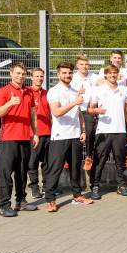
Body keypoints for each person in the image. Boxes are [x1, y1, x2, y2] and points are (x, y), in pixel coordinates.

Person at [45, 62, 94, 212]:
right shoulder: (54, 91)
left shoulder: (75, 91)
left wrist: (83, 130)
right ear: (59, 74)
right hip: (60, 137)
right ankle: (50, 200)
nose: (67, 75)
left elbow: (79, 113)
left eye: (70, 73)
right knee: (55, 169)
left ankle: (77, 195)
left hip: (75, 136)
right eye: (64, 73)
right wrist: (74, 102)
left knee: (75, 168)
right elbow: (57, 112)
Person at [0, 62, 39, 217]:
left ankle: (21, 201)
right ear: (11, 74)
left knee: (21, 172)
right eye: (18, 73)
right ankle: (4, 205)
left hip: (25, 138)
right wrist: (10, 103)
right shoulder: (3, 91)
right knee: (5, 173)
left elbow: (33, 115)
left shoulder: (29, 92)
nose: (21, 76)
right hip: (8, 139)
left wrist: (36, 133)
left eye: (23, 73)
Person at [88, 64, 127, 199]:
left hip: (120, 130)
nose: (113, 75)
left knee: (120, 160)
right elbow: (90, 109)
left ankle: (121, 185)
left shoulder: (124, 90)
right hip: (103, 131)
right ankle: (95, 186)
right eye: (110, 73)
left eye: (115, 73)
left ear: (118, 74)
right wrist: (97, 111)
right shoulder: (98, 90)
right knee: (99, 160)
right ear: (106, 75)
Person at [27, 68, 51, 199]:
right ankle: (34, 188)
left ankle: (47, 187)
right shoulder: (27, 93)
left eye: (41, 76)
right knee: (32, 162)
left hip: (48, 132)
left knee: (47, 163)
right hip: (33, 134)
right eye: (36, 76)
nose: (39, 78)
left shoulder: (47, 93)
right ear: (31, 78)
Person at [71, 55, 98, 171]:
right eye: (81, 64)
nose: (84, 66)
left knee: (90, 131)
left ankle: (88, 156)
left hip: (87, 110)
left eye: (86, 64)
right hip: (74, 109)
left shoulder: (94, 77)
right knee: (72, 135)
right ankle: (69, 160)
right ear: (77, 65)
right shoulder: (72, 77)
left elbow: (106, 80)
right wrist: (78, 92)